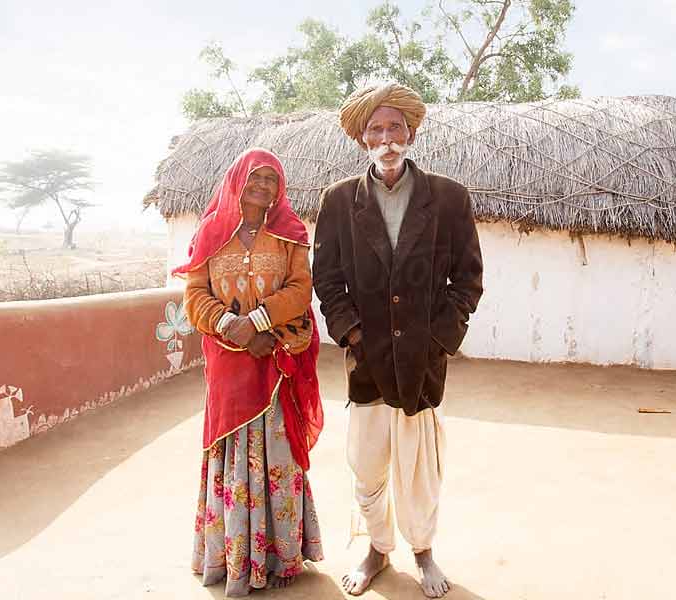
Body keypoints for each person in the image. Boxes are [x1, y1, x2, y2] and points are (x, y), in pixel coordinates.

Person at [313, 83, 484, 598]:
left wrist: (437, 339)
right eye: (375, 130)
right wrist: (355, 334)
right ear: (362, 138)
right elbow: (328, 281)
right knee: (366, 465)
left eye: (395, 128)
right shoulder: (339, 201)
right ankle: (377, 549)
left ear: (411, 132)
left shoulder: (448, 197)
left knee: (419, 468)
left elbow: (468, 278)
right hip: (366, 360)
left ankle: (424, 552)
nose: (386, 139)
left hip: (422, 360)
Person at [177, 148, 324, 597]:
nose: (262, 187)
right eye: (255, 178)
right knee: (232, 455)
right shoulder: (210, 232)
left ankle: (280, 556)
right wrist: (234, 329)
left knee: (278, 453)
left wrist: (260, 325)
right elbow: (194, 295)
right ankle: (234, 559)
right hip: (228, 364)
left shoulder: (290, 234)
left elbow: (301, 289)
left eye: (271, 180)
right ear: (237, 178)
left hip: (276, 358)